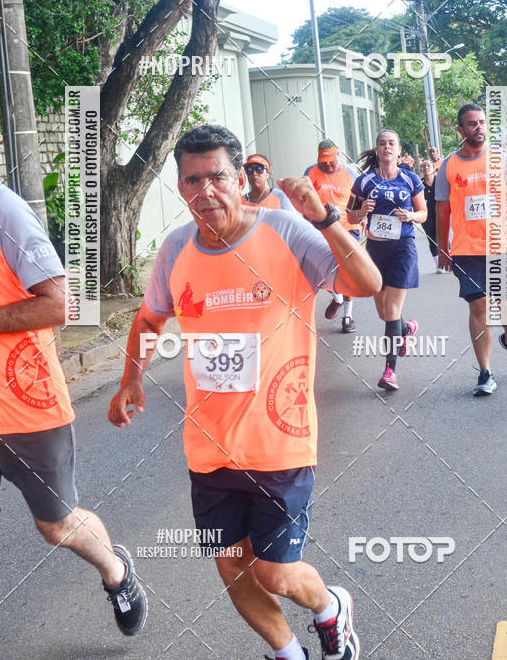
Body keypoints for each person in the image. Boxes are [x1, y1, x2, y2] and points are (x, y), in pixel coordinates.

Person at [109, 124, 381, 660]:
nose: (204, 191)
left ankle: (330, 608)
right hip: (208, 449)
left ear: (238, 179)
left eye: (216, 177)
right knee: (232, 565)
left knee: (276, 572)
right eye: (192, 181)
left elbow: (365, 284)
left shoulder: (285, 230)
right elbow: (149, 318)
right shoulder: (176, 248)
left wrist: (325, 220)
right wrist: (130, 378)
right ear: (181, 188)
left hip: (280, 440)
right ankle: (288, 654)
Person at [0, 181, 147, 636]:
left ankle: (116, 571)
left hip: (23, 404)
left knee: (57, 524)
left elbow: (65, 302)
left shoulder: (4, 211)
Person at [436, 104, 507, 396]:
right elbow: (442, 211)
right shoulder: (449, 166)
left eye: (481, 122)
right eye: (472, 124)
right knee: (479, 305)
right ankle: (485, 372)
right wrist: (443, 248)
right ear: (461, 130)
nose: (479, 128)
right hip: (467, 248)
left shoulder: (502, 159)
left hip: (502, 244)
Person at [347, 129, 427, 391]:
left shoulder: (410, 178)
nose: (387, 147)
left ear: (399, 149)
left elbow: (424, 213)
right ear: (377, 149)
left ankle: (390, 370)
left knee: (391, 311)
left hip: (403, 248)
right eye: (382, 143)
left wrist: (411, 216)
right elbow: (350, 216)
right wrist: (361, 211)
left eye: (391, 143)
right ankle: (405, 330)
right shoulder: (364, 181)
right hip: (375, 251)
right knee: (384, 313)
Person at [304, 140, 360, 333]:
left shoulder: (351, 174)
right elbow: (304, 200)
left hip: (347, 228)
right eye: (323, 160)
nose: (327, 164)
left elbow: (357, 202)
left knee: (347, 271)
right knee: (323, 271)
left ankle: (347, 316)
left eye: (330, 160)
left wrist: (362, 218)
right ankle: (337, 298)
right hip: (321, 229)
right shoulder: (310, 173)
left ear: (338, 155)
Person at [421, 159, 441, 272]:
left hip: (440, 214)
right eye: (423, 166)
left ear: (433, 168)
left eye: (428, 165)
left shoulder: (440, 181)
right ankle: (438, 264)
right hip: (426, 216)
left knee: (442, 237)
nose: (426, 168)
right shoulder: (419, 184)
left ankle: (448, 260)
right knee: (432, 239)